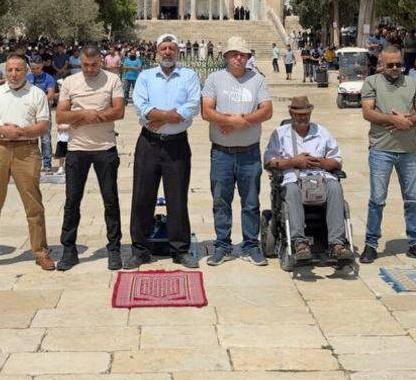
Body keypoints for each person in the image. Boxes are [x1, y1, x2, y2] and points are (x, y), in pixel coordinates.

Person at [0, 54, 54, 272]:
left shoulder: (36, 94)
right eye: (9, 70)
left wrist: (20, 132)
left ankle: (41, 252)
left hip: (26, 151)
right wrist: (4, 131)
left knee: (33, 204)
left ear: (26, 71)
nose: (13, 74)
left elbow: (44, 125)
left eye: (18, 70)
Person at [126, 34, 202, 269]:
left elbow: (192, 106)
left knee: (177, 197)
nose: (167, 52)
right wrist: (169, 115)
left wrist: (160, 117)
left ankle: (180, 249)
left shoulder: (188, 76)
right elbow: (140, 105)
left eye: (171, 48)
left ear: (177, 51)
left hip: (176, 144)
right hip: (149, 144)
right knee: (142, 197)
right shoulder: (146, 76)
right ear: (157, 52)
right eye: (163, 48)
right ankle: (140, 249)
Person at [201, 37, 274, 266]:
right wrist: (233, 121)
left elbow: (267, 110)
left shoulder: (257, 80)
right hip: (221, 152)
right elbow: (206, 111)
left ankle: (251, 245)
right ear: (226, 56)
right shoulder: (214, 79)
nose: (238, 58)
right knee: (221, 200)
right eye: (234, 54)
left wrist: (242, 120)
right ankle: (222, 245)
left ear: (248, 57)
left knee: (251, 202)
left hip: (249, 152)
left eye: (243, 54)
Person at [55, 45, 127, 271]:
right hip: (77, 148)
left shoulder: (112, 80)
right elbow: (61, 116)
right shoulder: (70, 82)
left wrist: (85, 117)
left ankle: (114, 249)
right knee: (72, 201)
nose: (89, 69)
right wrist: (84, 114)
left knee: (110, 200)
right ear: (80, 62)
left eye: (94, 65)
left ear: (101, 62)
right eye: (85, 65)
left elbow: (119, 111)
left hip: (105, 147)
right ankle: (69, 250)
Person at [359, 45, 416, 264]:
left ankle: (415, 243)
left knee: (412, 198)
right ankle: (371, 244)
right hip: (381, 149)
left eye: (398, 64)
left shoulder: (412, 83)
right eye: (389, 64)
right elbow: (367, 112)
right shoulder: (371, 82)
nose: (394, 68)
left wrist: (406, 121)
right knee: (377, 199)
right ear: (381, 64)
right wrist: (393, 120)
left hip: (408, 149)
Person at [263, 96, 352, 263]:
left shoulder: (322, 132)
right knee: (291, 190)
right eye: (298, 114)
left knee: (335, 187)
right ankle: (300, 243)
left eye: (305, 114)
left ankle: (337, 244)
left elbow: (336, 162)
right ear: (291, 113)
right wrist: (294, 162)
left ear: (310, 113)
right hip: (292, 178)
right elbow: (268, 162)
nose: (302, 117)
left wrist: (320, 162)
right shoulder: (280, 134)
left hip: (320, 177)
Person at [27, 56, 59, 173]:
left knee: (45, 139)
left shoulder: (49, 78)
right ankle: (33, 163)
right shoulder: (27, 77)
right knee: (32, 139)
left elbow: (50, 94)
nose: (35, 71)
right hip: (30, 112)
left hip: (44, 111)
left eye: (37, 68)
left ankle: (47, 164)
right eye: (32, 68)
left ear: (42, 66)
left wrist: (38, 102)